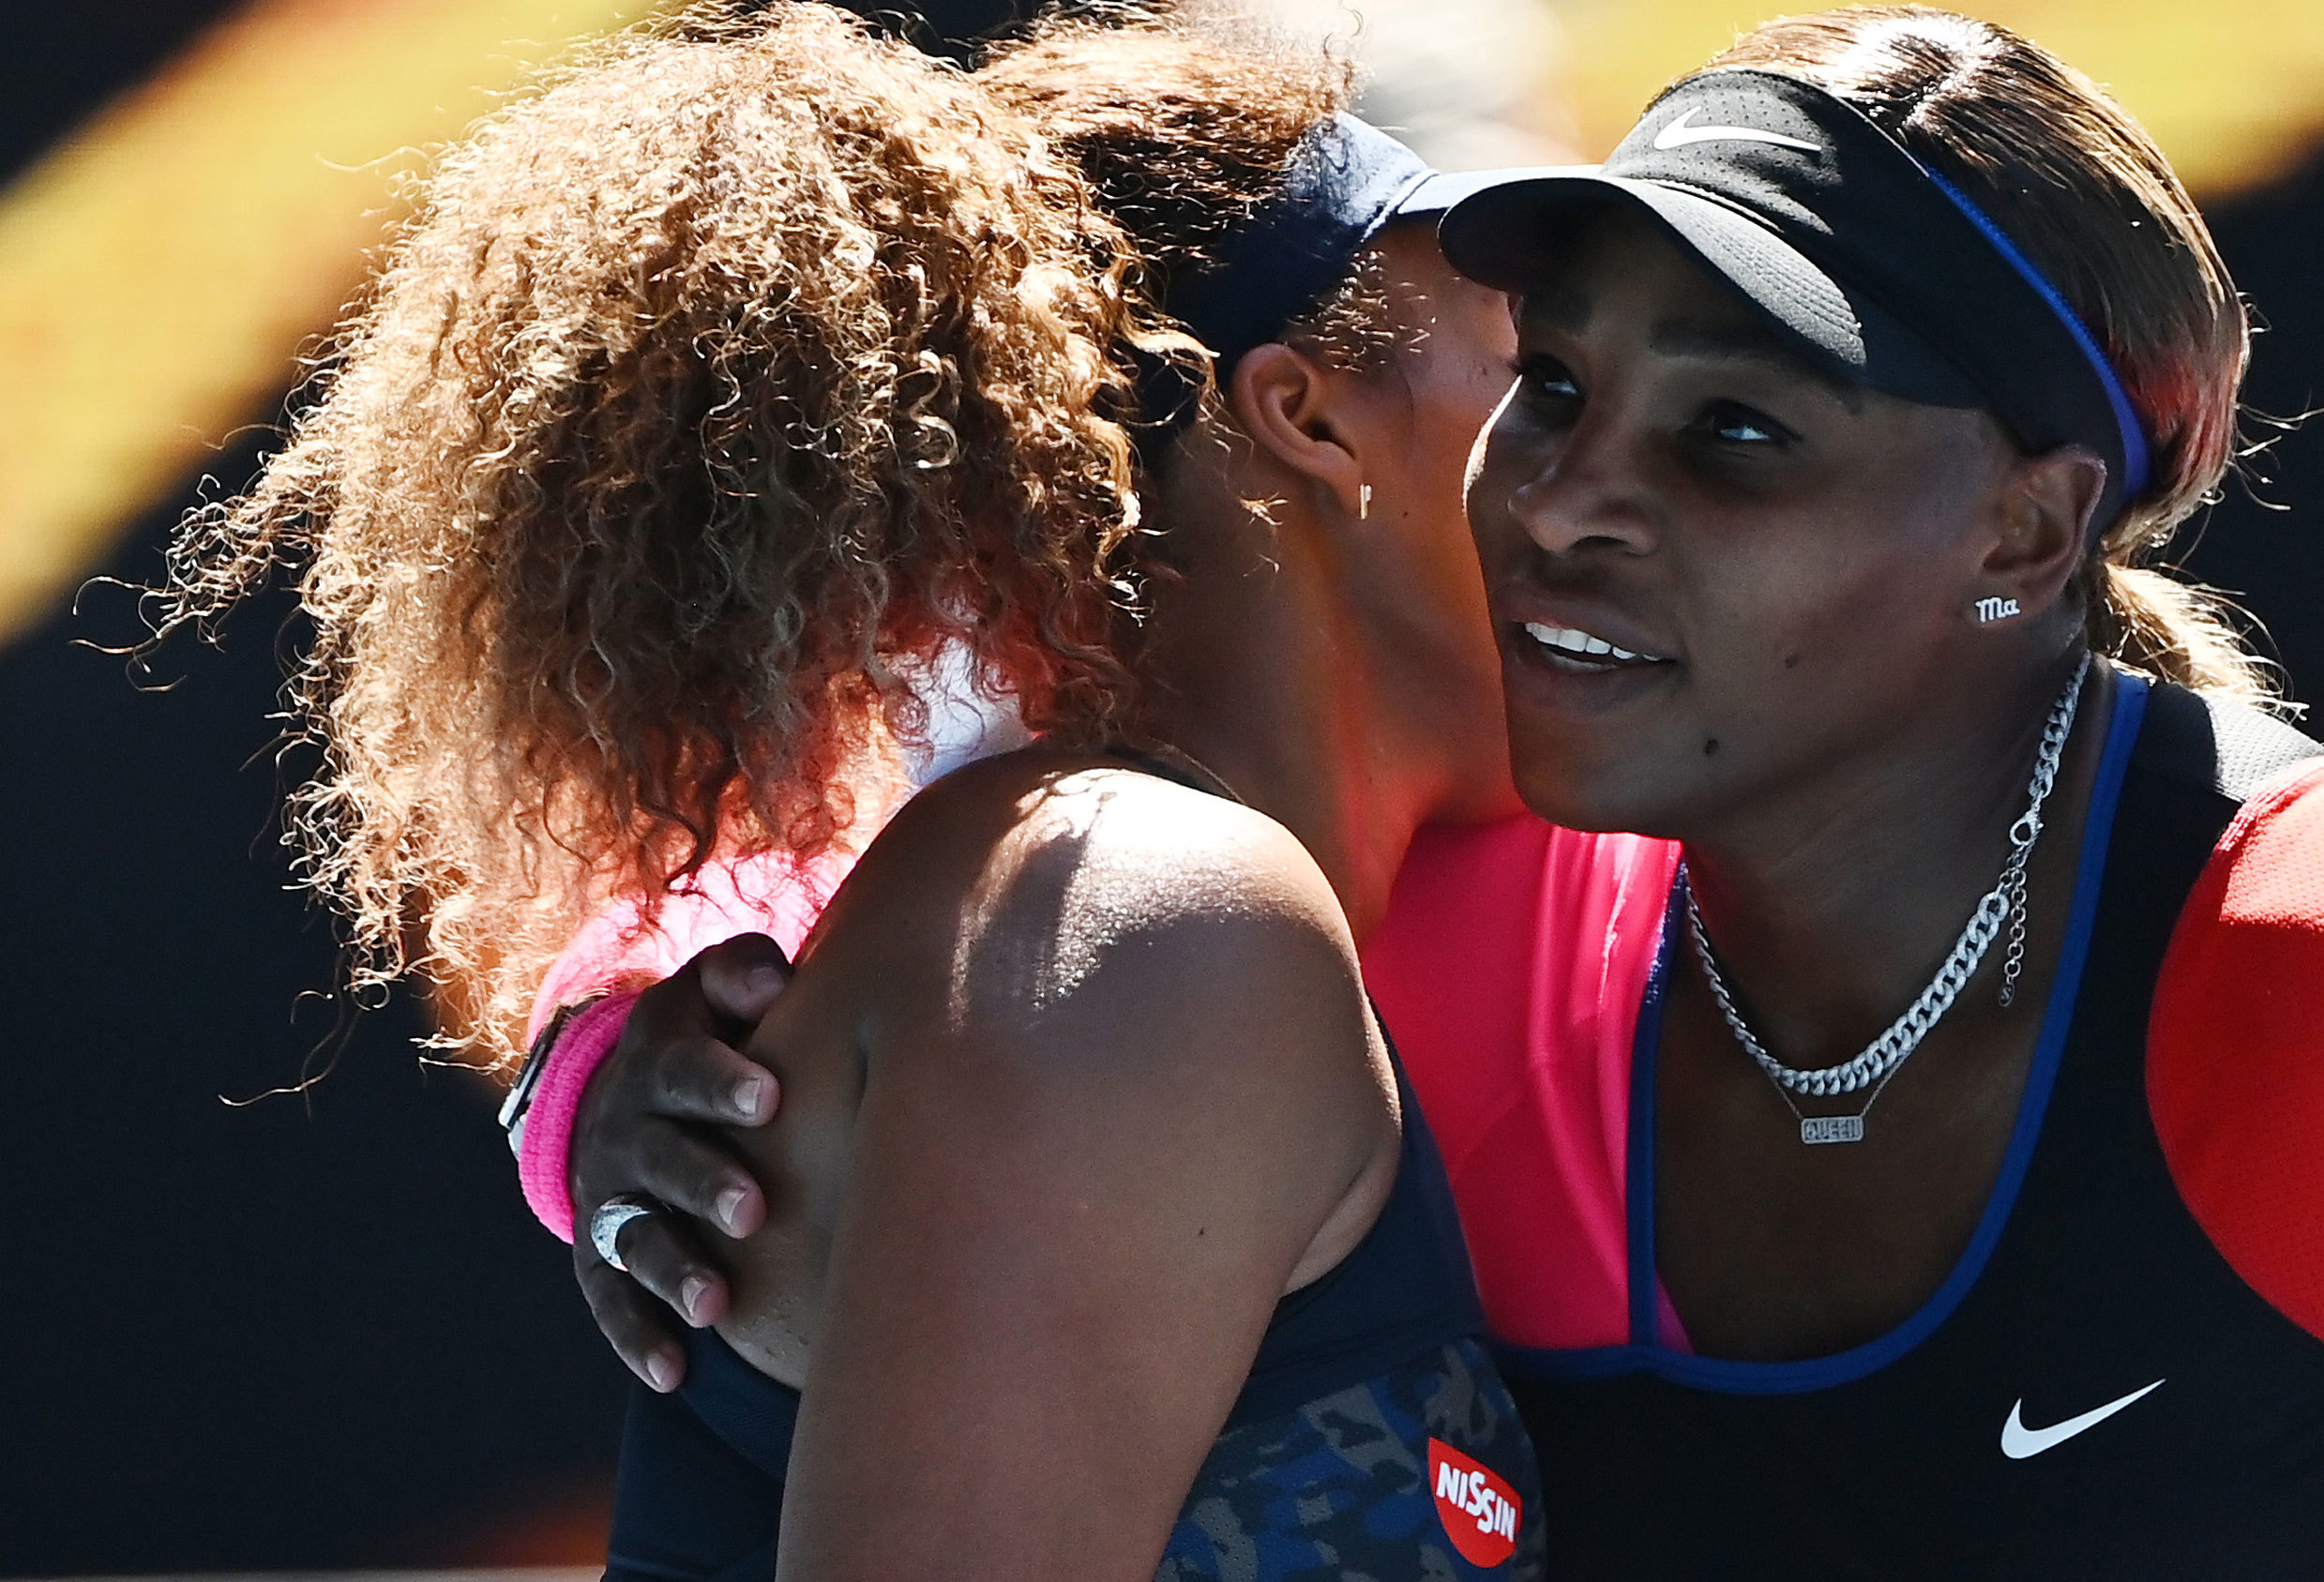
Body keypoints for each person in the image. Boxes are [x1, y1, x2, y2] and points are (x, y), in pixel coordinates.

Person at [521, 7, 2324, 1579]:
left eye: (1732, 434)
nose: (1563, 502)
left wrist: (612, 1075)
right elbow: (977, 958)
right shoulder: (1351, 946)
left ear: (2025, 532)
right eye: (1556, 392)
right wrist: (620, 1063)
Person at [159, 8, 1545, 1578]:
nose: (1598, 463)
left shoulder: (1113, 917)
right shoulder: (1146, 924)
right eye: (1535, 373)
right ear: (1307, 421)